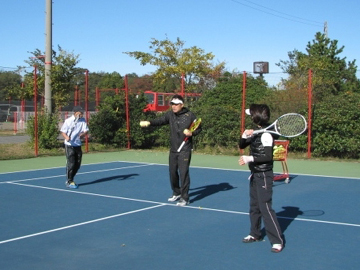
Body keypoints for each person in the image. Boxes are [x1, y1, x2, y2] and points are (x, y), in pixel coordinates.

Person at [140, 94, 202, 206]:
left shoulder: (190, 115)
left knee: (183, 173)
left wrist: (191, 133)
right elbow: (160, 121)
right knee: (172, 172)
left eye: (176, 104)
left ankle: (184, 197)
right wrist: (149, 122)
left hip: (185, 149)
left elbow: (199, 128)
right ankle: (176, 192)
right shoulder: (170, 115)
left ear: (182, 105)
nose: (173, 106)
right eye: (172, 104)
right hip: (173, 149)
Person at [238, 104, 284, 253]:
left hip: (264, 175)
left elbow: (267, 156)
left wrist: (249, 158)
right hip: (255, 174)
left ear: (255, 116)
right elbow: (241, 144)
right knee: (254, 206)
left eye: (251, 114)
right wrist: (245, 135)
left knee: (265, 208)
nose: (249, 116)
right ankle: (255, 233)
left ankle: (277, 241)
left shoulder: (265, 134)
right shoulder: (257, 132)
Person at [60, 106, 89, 189]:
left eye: (82, 112)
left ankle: (71, 178)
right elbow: (63, 131)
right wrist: (66, 137)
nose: (82, 114)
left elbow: (86, 130)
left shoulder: (83, 120)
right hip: (69, 145)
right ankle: (69, 181)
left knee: (78, 164)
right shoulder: (68, 121)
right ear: (75, 112)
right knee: (71, 163)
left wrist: (82, 134)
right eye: (80, 112)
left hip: (78, 144)